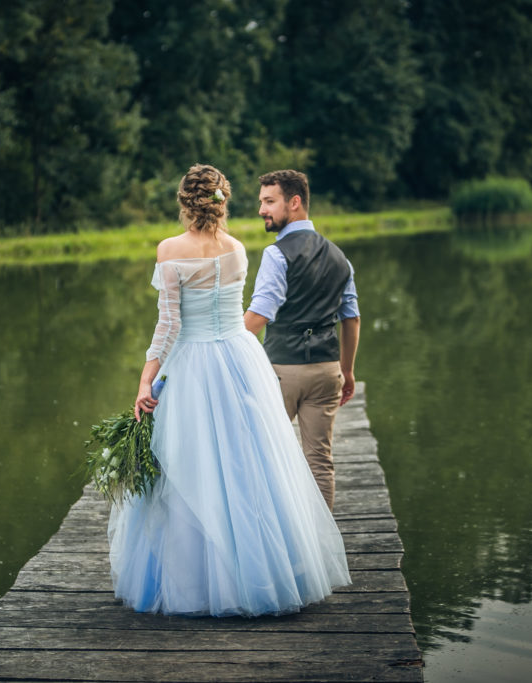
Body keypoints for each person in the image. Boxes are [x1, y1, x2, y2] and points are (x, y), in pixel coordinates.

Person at [108, 164, 350, 617]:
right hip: (240, 356)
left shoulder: (169, 250)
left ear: (184, 202)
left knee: (189, 461)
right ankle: (260, 572)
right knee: (247, 462)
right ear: (223, 200)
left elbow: (170, 325)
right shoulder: (239, 250)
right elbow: (236, 310)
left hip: (194, 360)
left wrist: (146, 378)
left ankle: (196, 579)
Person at [243, 170, 361, 511]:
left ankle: (275, 539)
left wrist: (221, 342)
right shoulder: (341, 258)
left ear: (294, 203)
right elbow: (351, 318)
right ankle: (321, 548)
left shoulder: (276, 254)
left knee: (264, 455)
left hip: (282, 371)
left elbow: (259, 314)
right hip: (327, 371)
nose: (262, 210)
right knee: (320, 461)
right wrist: (347, 371)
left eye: (269, 202)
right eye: (262, 202)